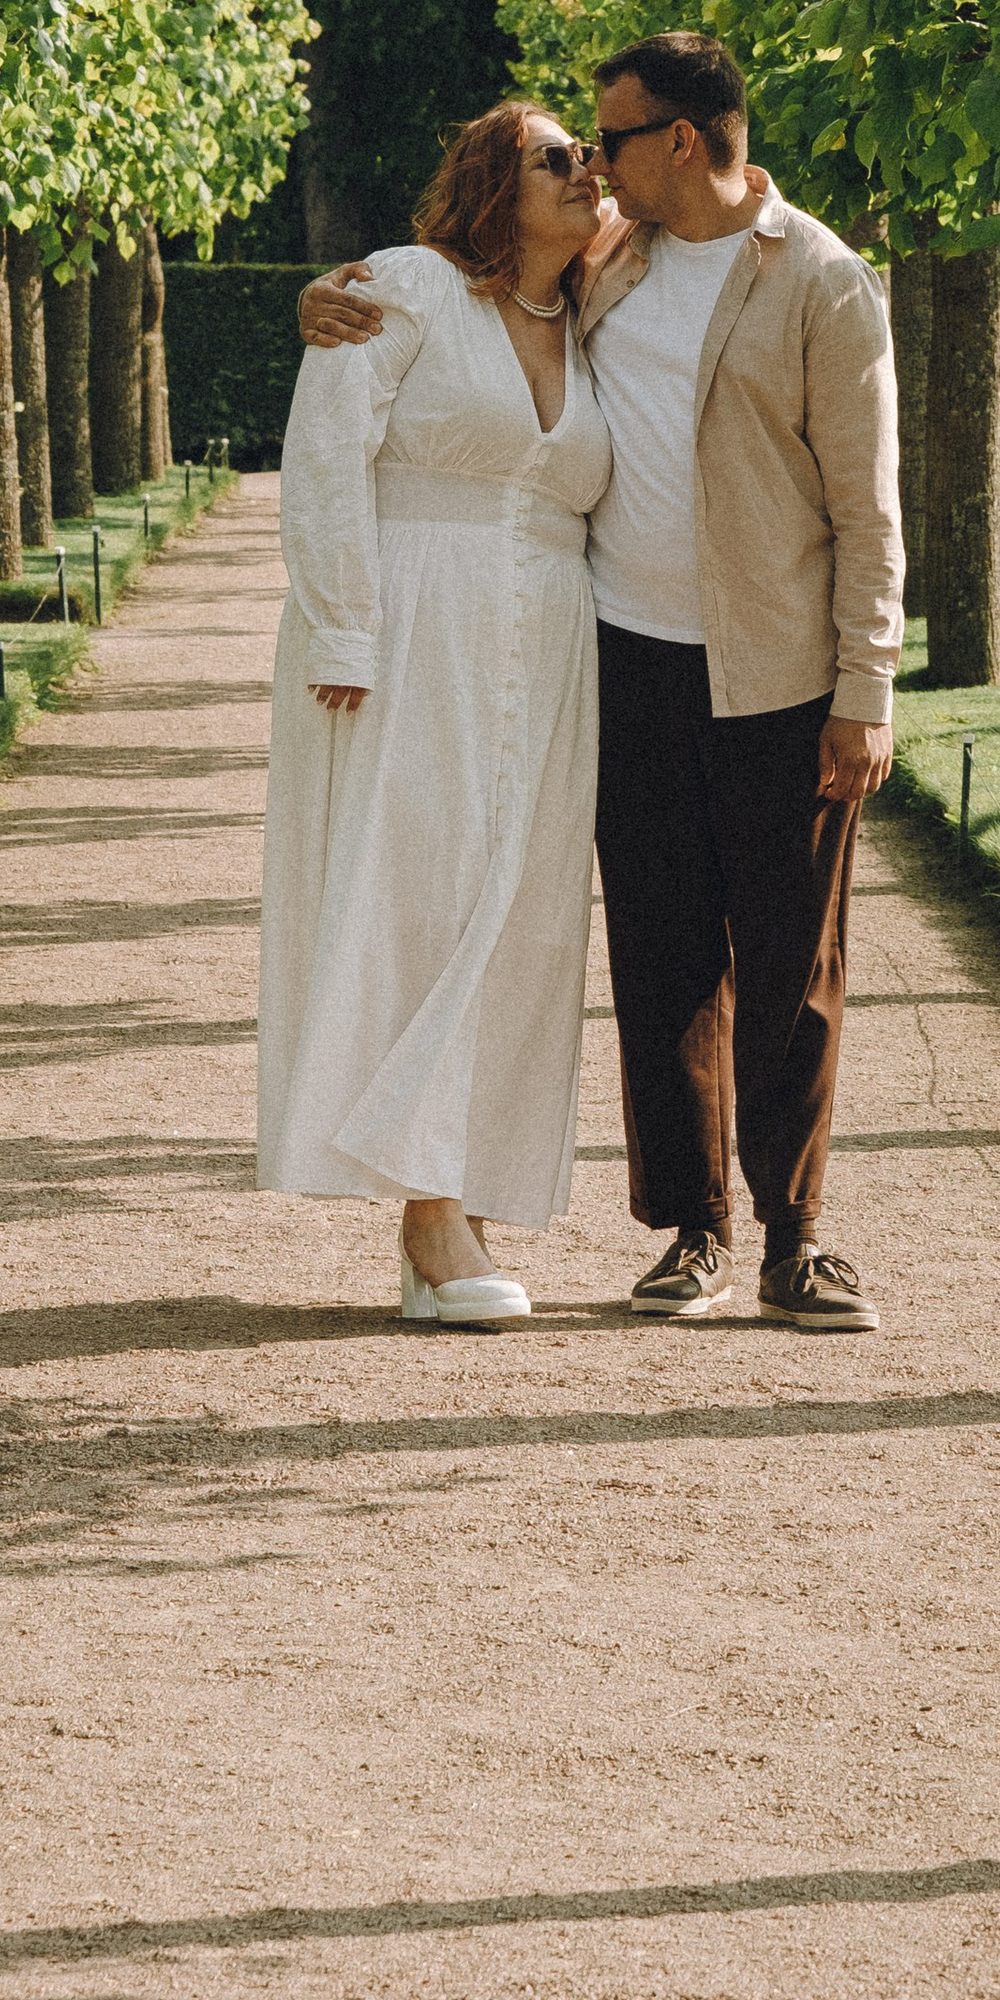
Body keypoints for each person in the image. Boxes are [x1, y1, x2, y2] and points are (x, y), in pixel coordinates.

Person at [300, 32, 902, 1330]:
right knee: (660, 960)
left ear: (679, 142)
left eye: (610, 139)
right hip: (621, 662)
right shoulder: (607, 264)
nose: (594, 158)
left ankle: (797, 1241)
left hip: (780, 675)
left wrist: (869, 686)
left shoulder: (823, 283)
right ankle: (691, 1232)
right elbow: (461, 304)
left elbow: (869, 507)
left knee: (795, 964)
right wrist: (323, 303)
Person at [260, 102, 611, 1328]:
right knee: (415, 897)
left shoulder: (601, 311)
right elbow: (326, 447)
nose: (584, 172)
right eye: (553, 157)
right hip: (408, 628)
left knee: (517, 910)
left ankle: (455, 1192)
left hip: (555, 643)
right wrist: (346, 623)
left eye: (592, 156)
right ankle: (426, 1208)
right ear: (488, 185)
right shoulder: (405, 288)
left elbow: (735, 208)